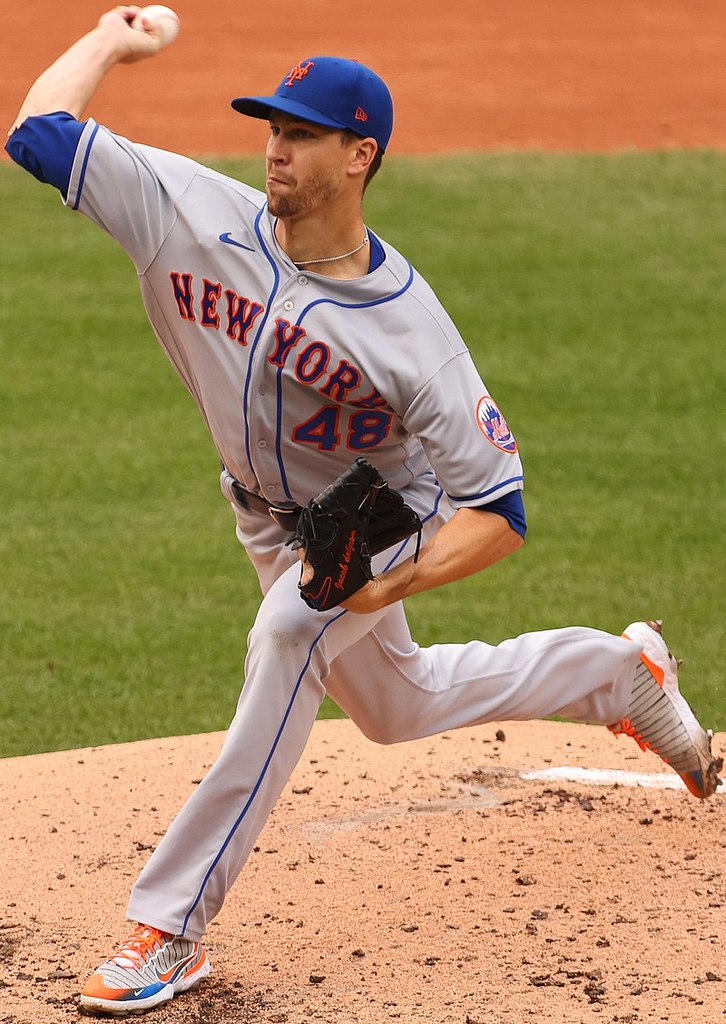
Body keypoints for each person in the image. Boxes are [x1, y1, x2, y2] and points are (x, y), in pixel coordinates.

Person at [6, 6, 722, 1017]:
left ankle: (168, 926)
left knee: (294, 631)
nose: (275, 149)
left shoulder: (411, 331)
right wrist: (112, 39)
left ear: (359, 156)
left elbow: (497, 510)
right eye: (272, 128)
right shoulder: (188, 210)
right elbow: (38, 134)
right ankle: (620, 672)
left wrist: (382, 578)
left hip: (383, 515)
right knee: (396, 706)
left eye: (299, 134)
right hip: (267, 514)